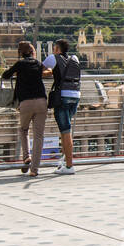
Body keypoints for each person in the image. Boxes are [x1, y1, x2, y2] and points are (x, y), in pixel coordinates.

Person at [1, 40, 48, 177]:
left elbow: (5, 75)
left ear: (20, 53)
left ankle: (26, 156)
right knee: (39, 136)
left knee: (23, 129)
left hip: (26, 102)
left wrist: (17, 74)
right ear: (33, 52)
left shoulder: (20, 64)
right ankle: (34, 170)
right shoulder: (38, 64)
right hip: (41, 101)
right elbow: (47, 71)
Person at [42, 39, 81, 175]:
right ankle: (65, 162)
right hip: (75, 95)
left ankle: (70, 166)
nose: (53, 51)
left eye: (54, 49)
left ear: (57, 49)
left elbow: (40, 71)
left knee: (65, 131)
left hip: (62, 96)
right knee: (66, 129)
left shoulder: (52, 58)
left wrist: (49, 72)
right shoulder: (74, 58)